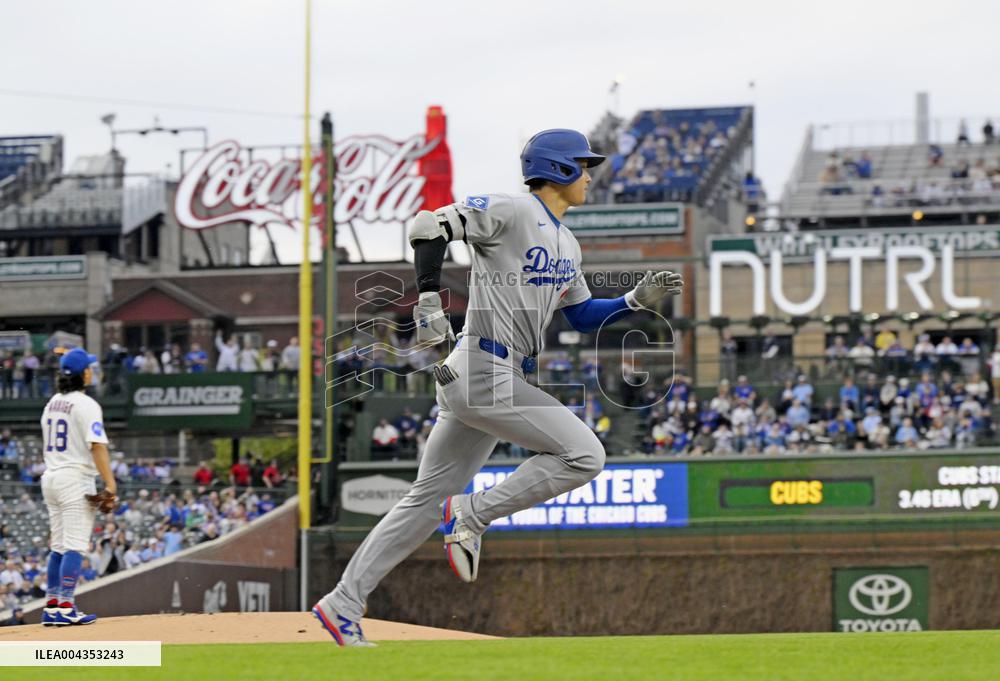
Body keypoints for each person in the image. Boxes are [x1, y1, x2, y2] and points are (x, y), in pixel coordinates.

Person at [313, 129, 683, 646]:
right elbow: (429, 226)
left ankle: (341, 604)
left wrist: (632, 303)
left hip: (494, 374)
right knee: (585, 455)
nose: (590, 176)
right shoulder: (511, 209)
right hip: (483, 367)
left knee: (422, 501)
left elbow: (578, 315)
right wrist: (426, 300)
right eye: (583, 165)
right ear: (557, 169)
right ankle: (471, 513)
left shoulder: (568, 241)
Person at [39, 347, 115, 626]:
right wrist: (111, 484)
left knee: (58, 546)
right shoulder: (87, 404)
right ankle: (67, 607)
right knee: (74, 546)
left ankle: (53, 605)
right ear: (84, 373)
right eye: (90, 368)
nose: (92, 371)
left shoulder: (51, 403)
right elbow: (97, 446)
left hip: (51, 476)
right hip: (74, 477)